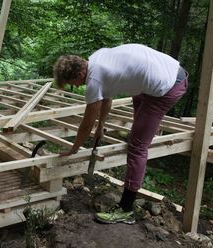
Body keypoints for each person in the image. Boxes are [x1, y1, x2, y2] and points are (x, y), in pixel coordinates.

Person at [53, 44, 188, 224]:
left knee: (137, 147)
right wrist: (102, 125)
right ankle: (147, 126)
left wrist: (74, 149)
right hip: (171, 71)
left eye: (73, 84)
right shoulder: (96, 57)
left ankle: (126, 210)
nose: (76, 87)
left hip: (169, 87)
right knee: (137, 96)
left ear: (79, 75)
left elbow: (86, 125)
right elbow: (107, 97)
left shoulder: (94, 80)